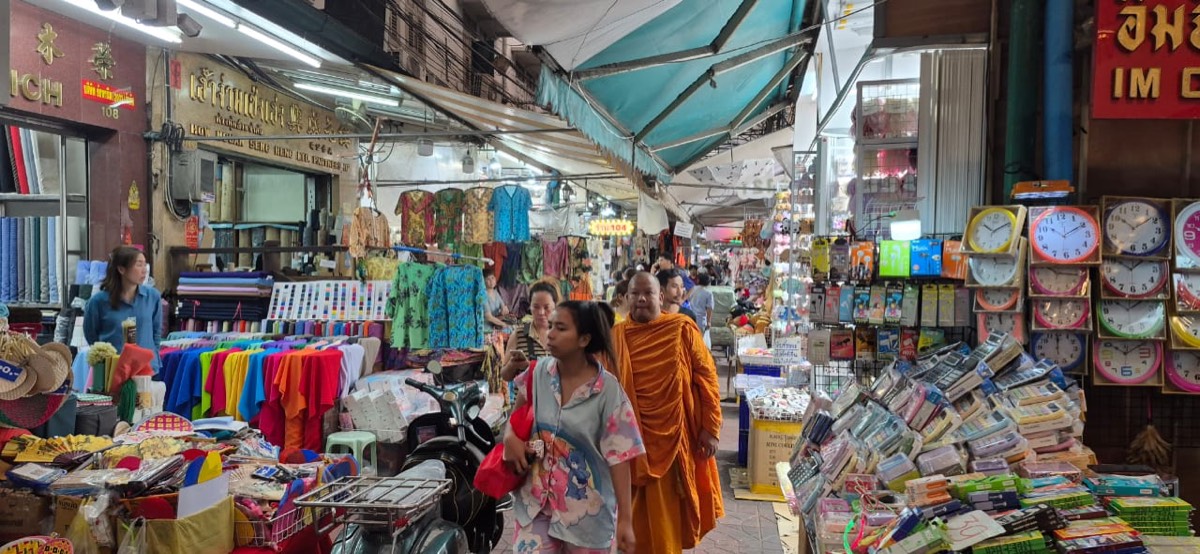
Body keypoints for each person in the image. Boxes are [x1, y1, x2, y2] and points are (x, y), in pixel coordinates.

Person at [504, 300, 643, 553]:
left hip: (587, 518)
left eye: (561, 328)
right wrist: (509, 438)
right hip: (536, 506)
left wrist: (626, 520)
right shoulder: (538, 373)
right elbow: (514, 419)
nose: (550, 334)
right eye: (551, 326)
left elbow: (620, 459)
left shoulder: (608, 392)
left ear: (584, 339)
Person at [610, 273, 723, 552]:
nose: (641, 299)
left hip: (674, 438)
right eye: (635, 294)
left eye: (648, 293)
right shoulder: (616, 337)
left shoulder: (681, 329)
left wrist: (711, 428)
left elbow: (707, 378)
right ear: (626, 298)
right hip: (630, 442)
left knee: (667, 519)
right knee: (632, 516)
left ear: (660, 297)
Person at [83, 246, 163, 371]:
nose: (144, 270)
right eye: (139, 265)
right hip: (111, 369)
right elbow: (91, 336)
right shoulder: (98, 301)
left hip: (146, 369)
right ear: (121, 269)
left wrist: (152, 356)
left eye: (145, 265)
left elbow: (156, 333)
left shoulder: (153, 296)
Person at [501, 281, 561, 383]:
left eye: (546, 307)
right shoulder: (519, 334)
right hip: (526, 393)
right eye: (536, 307)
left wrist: (530, 366)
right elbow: (505, 376)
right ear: (530, 306)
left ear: (555, 306)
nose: (541, 312)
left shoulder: (561, 335)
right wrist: (512, 365)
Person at [691, 274, 715, 348]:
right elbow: (709, 308)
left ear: (698, 280)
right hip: (700, 320)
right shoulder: (708, 293)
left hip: (690, 318)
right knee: (699, 342)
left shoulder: (692, 289)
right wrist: (709, 322)